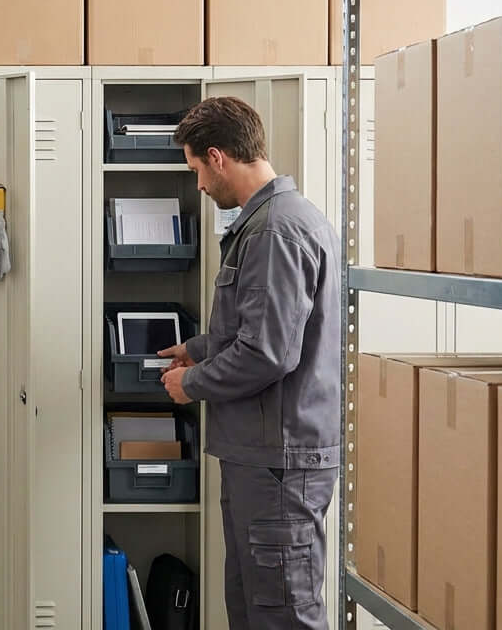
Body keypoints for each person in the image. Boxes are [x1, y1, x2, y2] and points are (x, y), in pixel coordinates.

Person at [157, 97, 340, 630]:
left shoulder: (273, 232)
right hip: (261, 456)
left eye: (195, 170)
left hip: (277, 460)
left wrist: (192, 383)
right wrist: (203, 347)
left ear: (217, 157)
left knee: (284, 612)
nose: (198, 185)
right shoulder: (268, 222)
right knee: (254, 606)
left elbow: (268, 353)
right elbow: (266, 330)